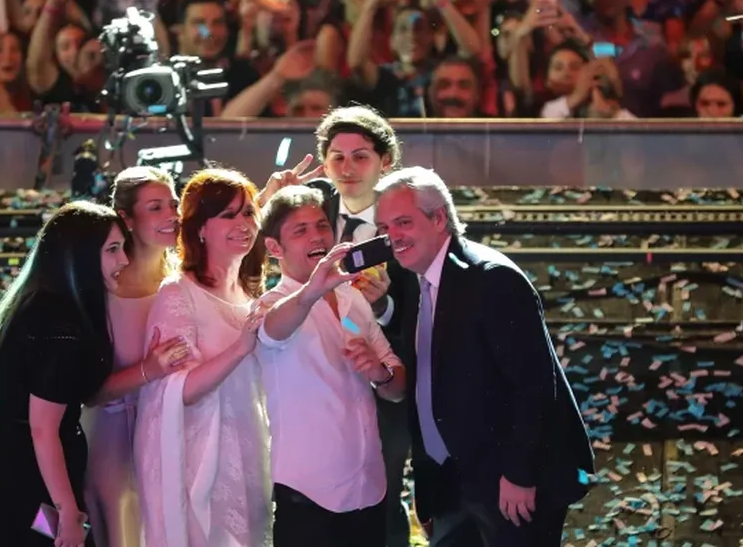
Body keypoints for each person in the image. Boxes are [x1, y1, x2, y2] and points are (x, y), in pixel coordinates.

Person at [373, 166, 595, 547]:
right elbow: (430, 377)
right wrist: (427, 489)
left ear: (439, 217)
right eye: (384, 227)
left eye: (403, 222)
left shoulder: (491, 278)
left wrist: (520, 475)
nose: (392, 237)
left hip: (510, 484)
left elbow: (535, 385)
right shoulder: (417, 276)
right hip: (451, 483)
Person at [255, 185, 407, 547]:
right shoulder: (270, 306)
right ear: (275, 248)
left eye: (321, 225)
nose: (317, 236)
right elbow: (270, 334)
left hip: (368, 488)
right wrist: (313, 288)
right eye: (301, 230)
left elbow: (398, 386)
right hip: (305, 494)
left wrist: (379, 373)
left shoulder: (352, 300)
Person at [0, 201, 127, 547]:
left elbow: (81, 394)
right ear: (80, 256)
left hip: (16, 465)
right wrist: (67, 511)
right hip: (32, 481)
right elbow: (43, 429)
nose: (124, 260)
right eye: (113, 250)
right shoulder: (60, 326)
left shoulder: (44, 305)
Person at [134, 168, 273, 547]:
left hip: (251, 448)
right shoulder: (178, 294)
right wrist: (241, 348)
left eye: (248, 213)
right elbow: (178, 390)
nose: (243, 223)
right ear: (199, 228)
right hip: (200, 463)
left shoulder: (250, 294)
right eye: (228, 215)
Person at [80, 167, 191, 547]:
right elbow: (87, 392)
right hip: (114, 440)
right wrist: (148, 370)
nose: (172, 215)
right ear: (126, 218)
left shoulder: (182, 280)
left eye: (174, 205)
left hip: (174, 436)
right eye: (156, 207)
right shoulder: (101, 287)